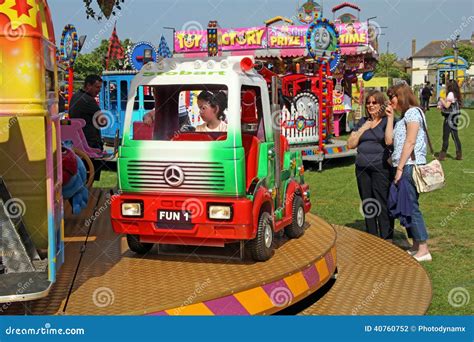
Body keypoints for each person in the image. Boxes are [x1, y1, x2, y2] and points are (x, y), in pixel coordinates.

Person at [384, 83, 431, 262]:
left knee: (412, 207)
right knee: (408, 206)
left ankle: (424, 248)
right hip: (405, 166)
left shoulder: (412, 113)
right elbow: (389, 141)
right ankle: (416, 245)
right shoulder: (403, 117)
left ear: (401, 96)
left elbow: (410, 142)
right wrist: (389, 118)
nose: (390, 101)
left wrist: (400, 168)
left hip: (409, 166)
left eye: (393, 97)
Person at [347, 90, 394, 241]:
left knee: (382, 201)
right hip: (362, 169)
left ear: (381, 104)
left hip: (380, 168)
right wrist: (363, 129)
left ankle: (386, 237)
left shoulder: (388, 121)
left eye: (374, 102)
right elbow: (350, 144)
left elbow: (389, 141)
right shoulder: (362, 122)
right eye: (368, 102)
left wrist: (390, 117)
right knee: (367, 201)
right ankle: (372, 236)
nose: (371, 105)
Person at [69, 75, 104, 151]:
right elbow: (103, 121)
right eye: (97, 87)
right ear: (88, 85)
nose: (99, 90)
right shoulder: (88, 100)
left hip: (78, 141)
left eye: (100, 87)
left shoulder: (75, 96)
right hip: (90, 143)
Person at [437, 79, 462, 160]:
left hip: (449, 118)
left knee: (445, 137)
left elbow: (447, 106)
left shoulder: (450, 94)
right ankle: (459, 154)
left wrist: (441, 99)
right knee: (455, 137)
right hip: (455, 118)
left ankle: (442, 155)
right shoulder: (456, 94)